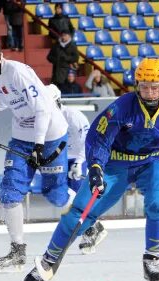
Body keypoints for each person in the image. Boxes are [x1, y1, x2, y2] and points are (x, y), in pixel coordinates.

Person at [24, 58, 159, 281]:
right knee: (80, 210)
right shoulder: (121, 107)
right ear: (136, 85)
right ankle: (50, 259)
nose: (149, 93)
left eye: (155, 87)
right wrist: (96, 167)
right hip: (115, 163)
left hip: (152, 162)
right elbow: (99, 138)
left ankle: (151, 260)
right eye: (144, 86)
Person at [0, 34, 71, 272]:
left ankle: (90, 225)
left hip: (49, 134)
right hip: (22, 137)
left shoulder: (18, 72)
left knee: (56, 194)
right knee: (9, 192)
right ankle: (18, 250)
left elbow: (42, 110)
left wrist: (39, 146)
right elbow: (0, 100)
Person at [47, 83, 107, 254]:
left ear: (58, 102)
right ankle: (93, 227)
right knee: (64, 196)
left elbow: (87, 141)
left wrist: (79, 162)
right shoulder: (45, 118)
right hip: (61, 159)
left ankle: (93, 227)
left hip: (79, 158)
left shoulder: (73, 116)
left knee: (78, 195)